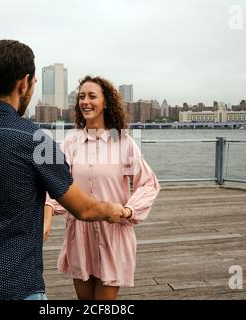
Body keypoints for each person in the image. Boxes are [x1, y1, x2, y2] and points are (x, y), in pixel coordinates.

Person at [0, 41, 127, 300]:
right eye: (34, 83)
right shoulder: (37, 141)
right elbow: (83, 208)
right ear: (24, 83)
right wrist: (112, 209)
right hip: (15, 287)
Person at [44, 76, 160, 300]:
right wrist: (48, 212)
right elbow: (57, 187)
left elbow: (148, 184)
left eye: (92, 96)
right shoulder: (70, 143)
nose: (85, 101)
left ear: (106, 102)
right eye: (81, 97)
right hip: (79, 234)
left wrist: (128, 211)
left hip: (112, 233)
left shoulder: (124, 143)